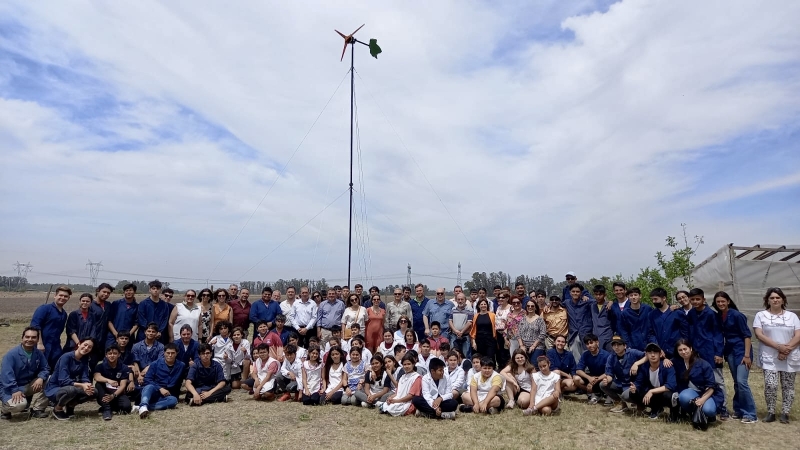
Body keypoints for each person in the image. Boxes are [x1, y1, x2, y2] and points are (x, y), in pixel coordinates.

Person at [753, 287, 800, 424]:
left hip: (789, 356)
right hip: (770, 356)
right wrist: (778, 347)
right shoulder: (761, 315)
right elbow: (759, 334)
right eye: (772, 297)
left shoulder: (792, 316)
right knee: (770, 384)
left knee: (788, 386)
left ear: (783, 299)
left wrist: (787, 349)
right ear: (767, 300)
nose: (775, 300)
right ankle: (771, 412)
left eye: (778, 297)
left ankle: (785, 413)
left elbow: (798, 334)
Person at [711, 291, 757, 423]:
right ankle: (739, 409)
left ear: (728, 301)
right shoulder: (720, 316)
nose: (720, 303)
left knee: (742, 382)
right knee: (737, 382)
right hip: (730, 351)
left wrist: (747, 355)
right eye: (718, 302)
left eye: (723, 301)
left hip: (742, 351)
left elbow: (746, 335)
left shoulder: (737, 315)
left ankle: (750, 413)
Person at [686, 288, 727, 419]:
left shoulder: (711, 314)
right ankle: (701, 403)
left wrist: (719, 353)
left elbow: (718, 334)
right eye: (692, 299)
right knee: (698, 378)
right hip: (696, 353)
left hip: (711, 352)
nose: (695, 301)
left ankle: (723, 407)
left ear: (703, 299)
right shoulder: (691, 314)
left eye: (698, 299)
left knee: (717, 381)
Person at [1, 327, 50, 420]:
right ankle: (5, 410)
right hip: (9, 388)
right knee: (20, 406)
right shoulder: (11, 355)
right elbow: (6, 375)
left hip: (27, 385)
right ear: (22, 338)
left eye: (33, 337)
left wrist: (41, 378)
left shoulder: (38, 353)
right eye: (27, 337)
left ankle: (37, 409)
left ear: (37, 339)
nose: (30, 340)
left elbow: (45, 368)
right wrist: (14, 390)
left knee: (50, 380)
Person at [673, 339, 723, 428]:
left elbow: (711, 386)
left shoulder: (703, 364)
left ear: (691, 348)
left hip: (707, 394)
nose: (683, 352)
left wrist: (702, 400)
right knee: (683, 396)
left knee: (709, 410)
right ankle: (693, 413)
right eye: (680, 350)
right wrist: (665, 360)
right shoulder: (677, 362)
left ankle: (708, 415)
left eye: (685, 349)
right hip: (692, 393)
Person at [44, 338, 95, 420]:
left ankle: (71, 405)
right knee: (71, 390)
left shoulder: (84, 359)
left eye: (89, 347)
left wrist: (87, 385)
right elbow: (63, 380)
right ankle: (57, 409)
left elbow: (85, 376)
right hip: (56, 388)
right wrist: (82, 385)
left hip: (72, 387)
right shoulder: (66, 357)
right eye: (85, 345)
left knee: (94, 392)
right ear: (79, 344)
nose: (86, 348)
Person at [629, 342, 677, 420]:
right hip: (653, 394)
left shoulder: (667, 366)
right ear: (646, 355)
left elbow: (671, 385)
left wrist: (651, 391)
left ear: (660, 354)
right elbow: (638, 383)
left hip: (663, 392)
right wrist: (634, 389)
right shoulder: (644, 367)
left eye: (655, 352)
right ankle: (655, 409)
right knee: (633, 393)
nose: (653, 355)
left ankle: (674, 413)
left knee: (668, 395)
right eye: (650, 353)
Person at [137, 344, 185, 418]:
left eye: (172, 353)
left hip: (168, 395)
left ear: (176, 353)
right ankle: (143, 405)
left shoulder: (181, 365)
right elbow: (147, 379)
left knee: (173, 400)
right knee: (149, 387)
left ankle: (144, 408)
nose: (170, 355)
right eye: (168, 353)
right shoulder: (155, 364)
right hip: (154, 391)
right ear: (164, 353)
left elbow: (184, 380)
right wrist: (160, 388)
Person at [600, 335, 644, 413]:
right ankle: (620, 404)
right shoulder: (611, 357)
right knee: (602, 385)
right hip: (621, 383)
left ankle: (640, 403)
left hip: (634, 384)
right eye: (614, 345)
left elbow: (647, 355)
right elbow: (609, 374)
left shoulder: (633, 353)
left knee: (625, 395)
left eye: (619, 344)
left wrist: (636, 363)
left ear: (625, 346)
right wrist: (607, 379)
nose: (616, 347)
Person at [30, 285, 71, 370]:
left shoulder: (64, 314)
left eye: (65, 296)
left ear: (68, 298)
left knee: (55, 368)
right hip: (42, 345)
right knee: (38, 368)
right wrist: (39, 343)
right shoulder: (44, 308)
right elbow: (35, 326)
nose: (63, 298)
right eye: (60, 295)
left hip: (55, 347)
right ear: (55, 296)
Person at [93, 345, 132, 420]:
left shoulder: (123, 367)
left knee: (126, 408)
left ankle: (110, 407)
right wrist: (109, 380)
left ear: (119, 355)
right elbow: (96, 377)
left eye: (115, 353)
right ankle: (107, 409)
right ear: (106, 355)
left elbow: (123, 385)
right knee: (98, 384)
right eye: (110, 353)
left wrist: (113, 396)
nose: (112, 355)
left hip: (117, 393)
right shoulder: (100, 366)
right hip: (104, 393)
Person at [650, 287, 689, 359]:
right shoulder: (651, 315)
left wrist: (683, 346)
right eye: (652, 299)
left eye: (655, 299)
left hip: (677, 351)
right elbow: (651, 333)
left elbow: (685, 332)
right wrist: (657, 347)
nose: (653, 302)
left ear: (664, 298)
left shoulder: (677, 313)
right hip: (661, 352)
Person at [573, 334, 612, 404]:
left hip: (603, 378)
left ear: (597, 343)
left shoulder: (606, 355)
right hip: (592, 377)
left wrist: (594, 380)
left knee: (607, 379)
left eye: (591, 343)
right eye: (587, 344)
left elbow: (609, 372)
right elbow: (578, 370)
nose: (589, 345)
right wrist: (589, 378)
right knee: (576, 379)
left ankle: (608, 394)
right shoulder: (585, 354)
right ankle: (593, 393)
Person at [563, 283, 595, 362]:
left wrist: (610, 302)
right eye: (573, 291)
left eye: (577, 292)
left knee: (588, 353)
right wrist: (548, 305)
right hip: (573, 334)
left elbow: (598, 301)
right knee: (575, 357)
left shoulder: (586, 302)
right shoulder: (567, 302)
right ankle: (578, 372)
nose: (575, 293)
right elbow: (556, 304)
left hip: (585, 332)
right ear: (570, 293)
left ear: (581, 293)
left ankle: (588, 373)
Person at [618, 287, 654, 352]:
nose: (633, 297)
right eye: (631, 295)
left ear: (640, 296)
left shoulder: (647, 309)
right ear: (628, 297)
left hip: (649, 343)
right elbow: (624, 331)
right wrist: (628, 345)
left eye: (635, 295)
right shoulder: (625, 313)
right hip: (634, 345)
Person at [131, 323, 165, 387]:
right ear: (145, 332)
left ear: (156, 333)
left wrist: (145, 371)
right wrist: (139, 375)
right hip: (138, 372)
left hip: (154, 373)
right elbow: (135, 362)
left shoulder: (161, 347)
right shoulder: (136, 346)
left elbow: (158, 361)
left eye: (153, 332)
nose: (150, 333)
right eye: (149, 331)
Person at [107, 283, 139, 350]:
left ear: (135, 292)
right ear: (124, 292)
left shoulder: (137, 307)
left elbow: (137, 323)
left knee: (126, 357)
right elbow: (109, 320)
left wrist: (128, 335)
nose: (128, 292)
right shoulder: (116, 304)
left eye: (130, 290)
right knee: (111, 355)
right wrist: (116, 334)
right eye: (126, 290)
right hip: (113, 336)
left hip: (128, 337)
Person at [517, 299, 546, 364]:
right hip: (524, 347)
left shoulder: (540, 320)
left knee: (534, 364)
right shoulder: (523, 319)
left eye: (532, 306)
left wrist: (533, 346)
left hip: (537, 347)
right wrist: (521, 346)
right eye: (528, 306)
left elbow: (543, 334)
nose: (530, 307)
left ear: (535, 307)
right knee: (524, 364)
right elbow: (518, 333)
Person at [89, 283, 113, 362]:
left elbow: (109, 320)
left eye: (108, 293)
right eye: (104, 292)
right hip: (92, 338)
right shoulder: (90, 305)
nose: (106, 294)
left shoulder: (108, 305)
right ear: (98, 291)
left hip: (104, 338)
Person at [450, 293, 474, 360]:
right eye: (458, 299)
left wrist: (462, 332)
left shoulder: (470, 309)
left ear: (465, 300)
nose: (460, 301)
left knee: (466, 355)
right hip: (454, 335)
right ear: (456, 300)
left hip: (465, 336)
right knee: (453, 354)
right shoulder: (453, 309)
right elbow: (450, 321)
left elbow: (469, 322)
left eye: (462, 299)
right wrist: (455, 330)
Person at [591, 285, 614, 352]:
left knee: (610, 356)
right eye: (596, 294)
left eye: (600, 294)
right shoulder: (592, 305)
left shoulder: (609, 306)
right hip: (596, 335)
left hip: (607, 335)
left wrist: (611, 302)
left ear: (604, 294)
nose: (598, 296)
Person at [494, 293, 511, 369]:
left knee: (507, 352)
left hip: (508, 334)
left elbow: (510, 322)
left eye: (502, 297)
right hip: (498, 333)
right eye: (499, 297)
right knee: (500, 352)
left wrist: (505, 336)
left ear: (507, 298)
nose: (500, 299)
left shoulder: (511, 308)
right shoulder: (498, 308)